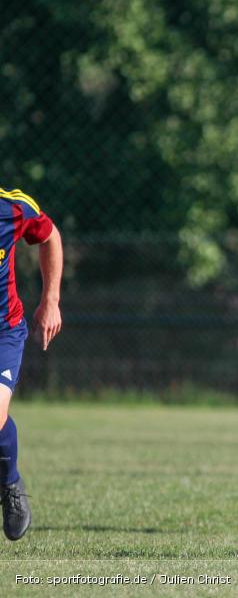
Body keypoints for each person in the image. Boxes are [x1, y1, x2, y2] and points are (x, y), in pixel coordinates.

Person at [0, 187, 63, 541]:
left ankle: (9, 483)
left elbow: (49, 234)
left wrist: (50, 301)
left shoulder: (11, 208)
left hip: (3, 332)